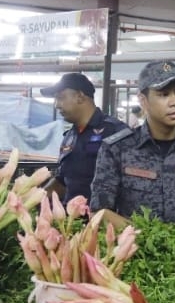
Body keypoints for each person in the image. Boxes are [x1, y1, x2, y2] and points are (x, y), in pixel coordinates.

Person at [90, 61, 175, 228]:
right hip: (139, 251)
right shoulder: (117, 149)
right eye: (164, 95)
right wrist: (150, 239)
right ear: (143, 101)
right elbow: (100, 212)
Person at [41, 72, 128, 204]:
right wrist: (36, 197)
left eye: (60, 97)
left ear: (80, 97)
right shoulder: (70, 137)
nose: (57, 105)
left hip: (103, 220)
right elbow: (62, 180)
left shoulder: (115, 131)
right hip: (72, 220)